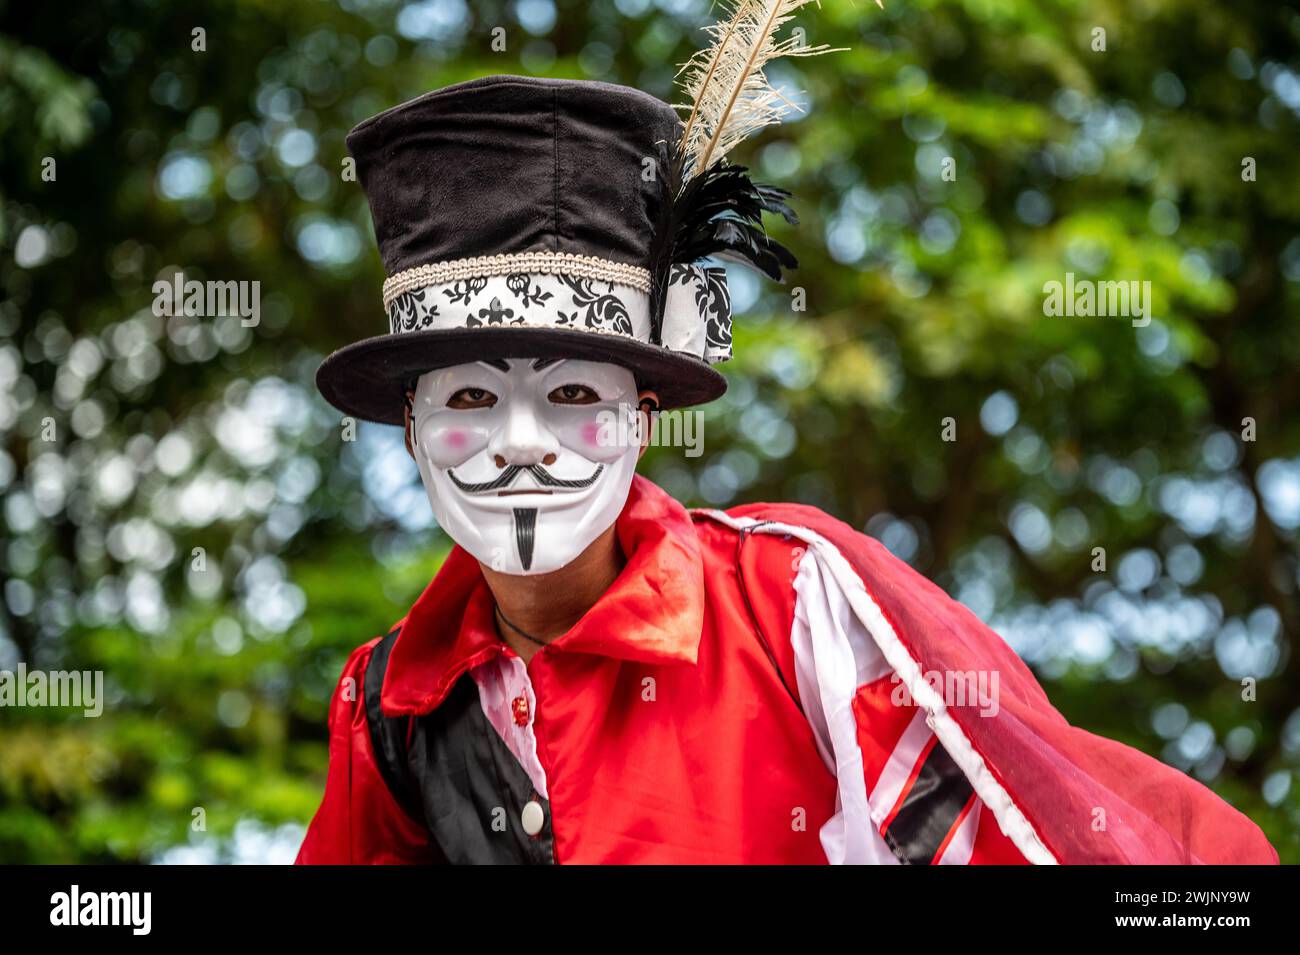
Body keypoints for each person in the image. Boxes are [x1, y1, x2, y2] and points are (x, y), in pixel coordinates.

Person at [298, 37, 1276, 865]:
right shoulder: (385, 708)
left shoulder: (799, 607)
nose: (519, 442)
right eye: (471, 395)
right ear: (414, 428)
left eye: (568, 396)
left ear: (642, 418)